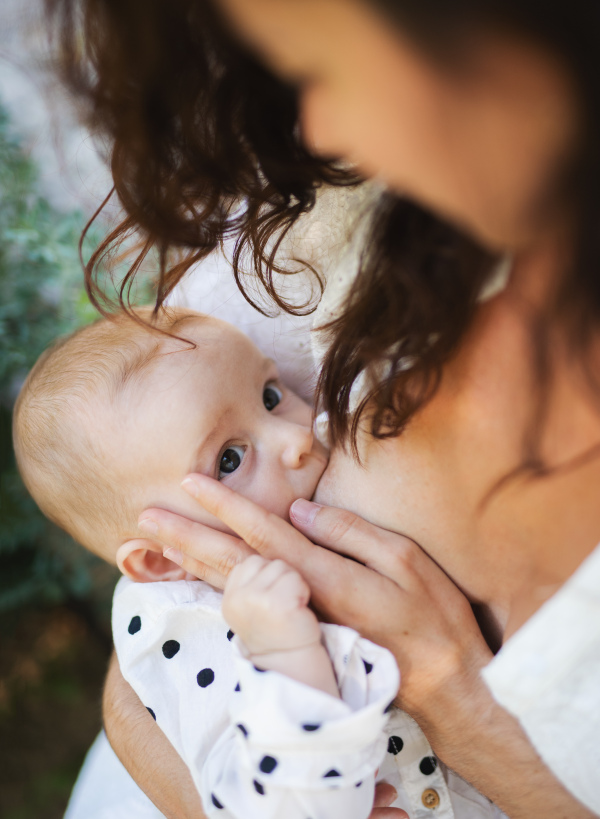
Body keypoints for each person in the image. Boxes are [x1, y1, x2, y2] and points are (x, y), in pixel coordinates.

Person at [43, 0, 600, 817]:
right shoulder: (344, 197)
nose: (323, 127)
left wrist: (458, 705)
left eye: (328, 68)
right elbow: (151, 661)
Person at [12, 306, 410, 818]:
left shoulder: (314, 481)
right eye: (229, 459)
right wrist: (285, 653)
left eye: (270, 397)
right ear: (160, 560)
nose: (295, 438)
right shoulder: (192, 631)